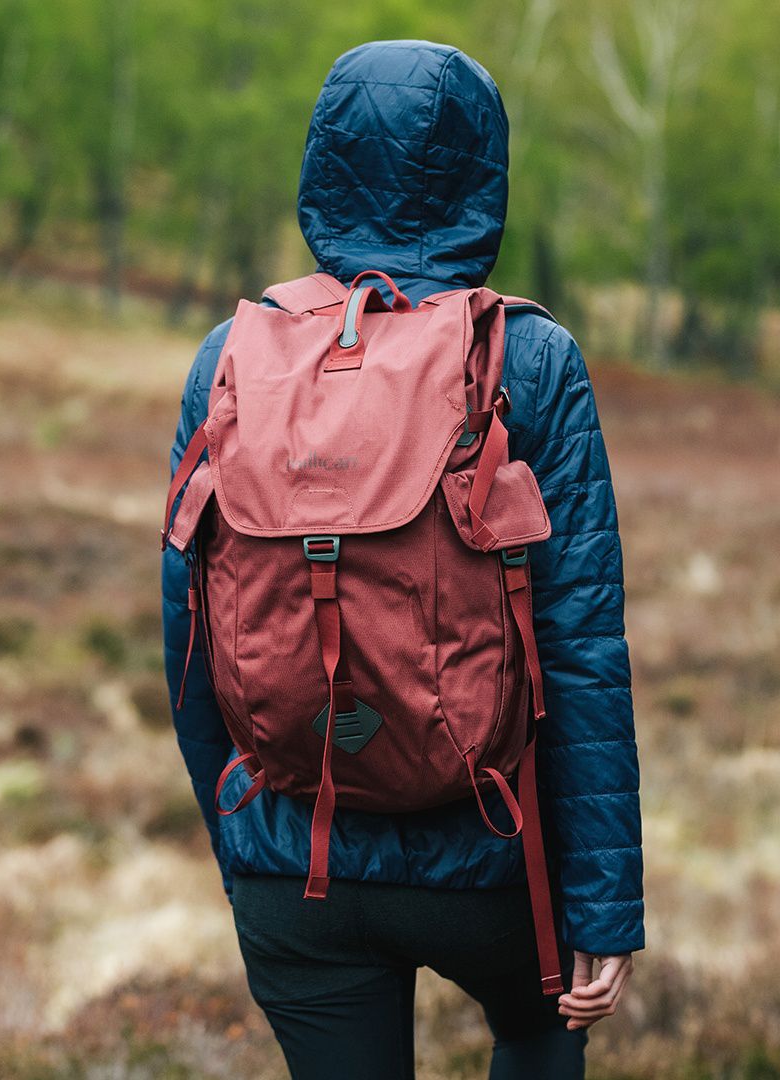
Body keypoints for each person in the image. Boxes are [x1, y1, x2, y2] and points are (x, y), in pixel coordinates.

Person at [162, 40, 642, 1080]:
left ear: (323, 163)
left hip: (294, 853)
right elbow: (579, 644)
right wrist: (605, 904)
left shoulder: (231, 357)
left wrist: (241, 842)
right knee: (537, 1032)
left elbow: (188, 634)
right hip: (488, 848)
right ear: (484, 172)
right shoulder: (528, 360)